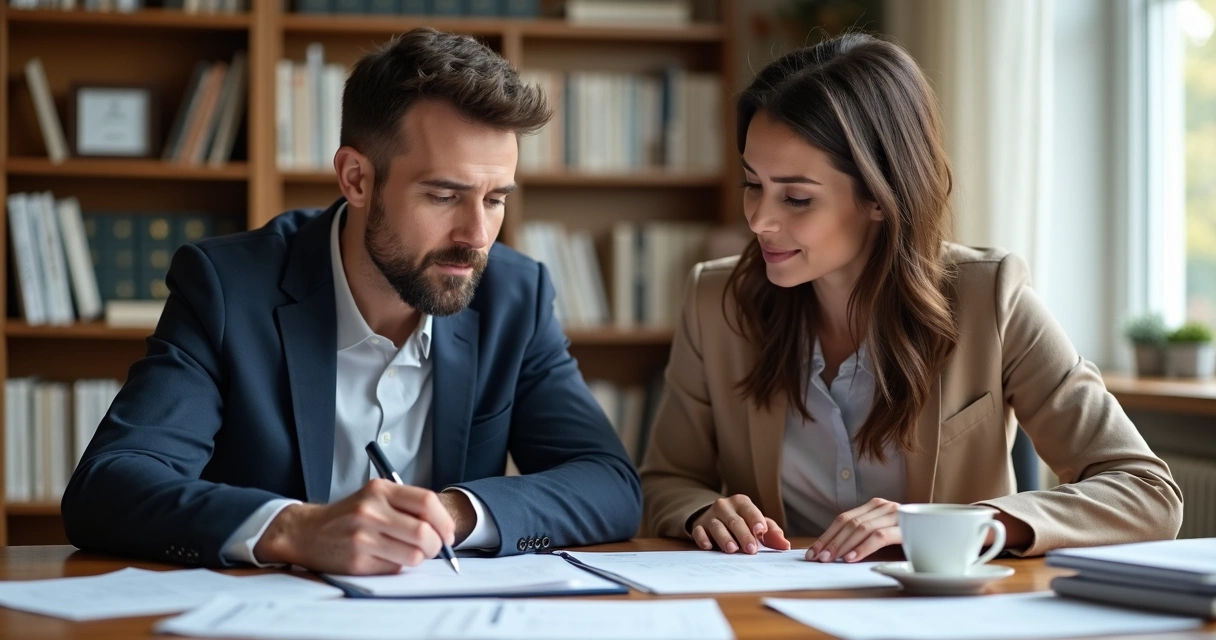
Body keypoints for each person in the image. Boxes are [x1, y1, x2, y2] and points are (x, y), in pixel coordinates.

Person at [62, 28, 641, 574]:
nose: (478, 236)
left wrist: (452, 515)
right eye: (444, 196)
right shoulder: (227, 287)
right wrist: (295, 530)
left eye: (495, 199)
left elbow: (609, 482)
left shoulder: (517, 294)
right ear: (356, 178)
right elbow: (109, 486)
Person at [640, 32, 1182, 562]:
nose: (759, 220)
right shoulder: (716, 300)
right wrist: (701, 511)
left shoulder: (989, 296)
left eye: (797, 198)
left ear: (880, 196)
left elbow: (1146, 492)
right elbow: (667, 480)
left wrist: (963, 525)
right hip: (771, 608)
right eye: (752, 184)